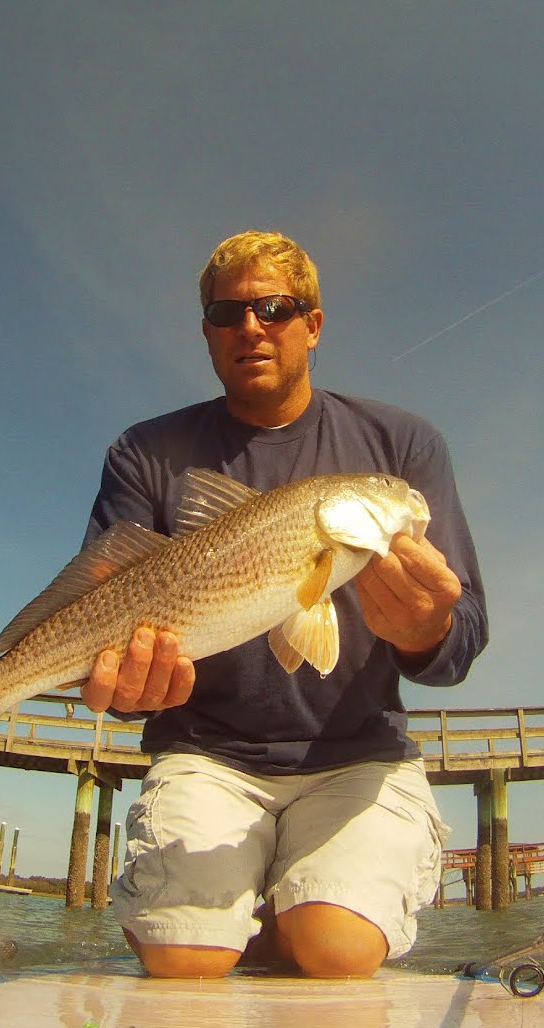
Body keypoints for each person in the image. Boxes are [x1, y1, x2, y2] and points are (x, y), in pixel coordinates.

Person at [78, 231, 488, 979]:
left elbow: (462, 641)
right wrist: (130, 693)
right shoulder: (144, 452)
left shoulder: (404, 443)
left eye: (275, 307)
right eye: (227, 313)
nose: (252, 327)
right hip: (206, 753)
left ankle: (287, 914)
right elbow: (107, 607)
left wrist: (427, 630)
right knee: (181, 961)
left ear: (314, 323)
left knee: (335, 954)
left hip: (358, 758)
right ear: (207, 332)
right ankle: (253, 911)